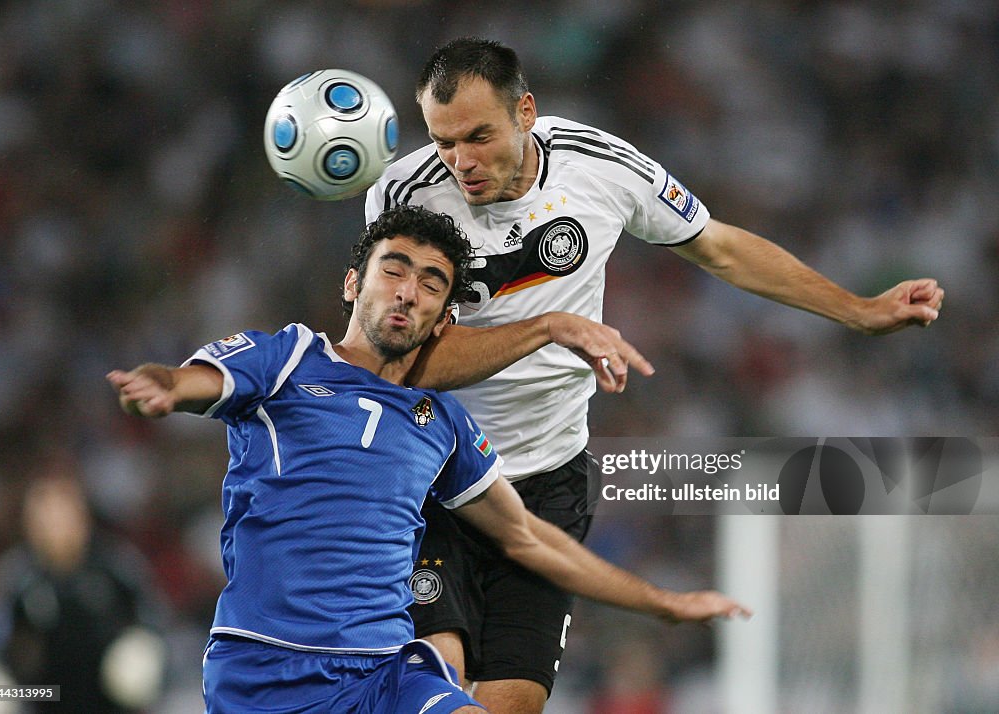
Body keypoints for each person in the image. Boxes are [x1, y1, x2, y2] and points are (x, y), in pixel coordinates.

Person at [365, 37, 946, 713]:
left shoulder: (598, 166)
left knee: (514, 701)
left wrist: (857, 311)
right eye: (443, 142)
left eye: (478, 137)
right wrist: (549, 328)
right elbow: (397, 362)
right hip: (431, 475)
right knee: (436, 677)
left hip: (548, 481)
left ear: (525, 111)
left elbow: (722, 249)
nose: (461, 162)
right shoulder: (405, 197)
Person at [106, 205, 749, 714]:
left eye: (431, 282)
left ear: (444, 319)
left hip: (387, 673)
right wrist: (163, 385)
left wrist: (660, 602)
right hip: (266, 666)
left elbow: (529, 540)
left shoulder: (443, 427)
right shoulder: (288, 361)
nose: (408, 291)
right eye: (394, 269)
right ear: (354, 283)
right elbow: (193, 381)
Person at [0, 460, 169, 713]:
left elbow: (157, 623)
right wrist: (7, 689)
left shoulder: (113, 565)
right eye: (46, 516)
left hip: (110, 699)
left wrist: (142, 653)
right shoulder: (18, 576)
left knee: (138, 666)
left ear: (82, 516)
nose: (57, 527)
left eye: (64, 514)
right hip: (46, 697)